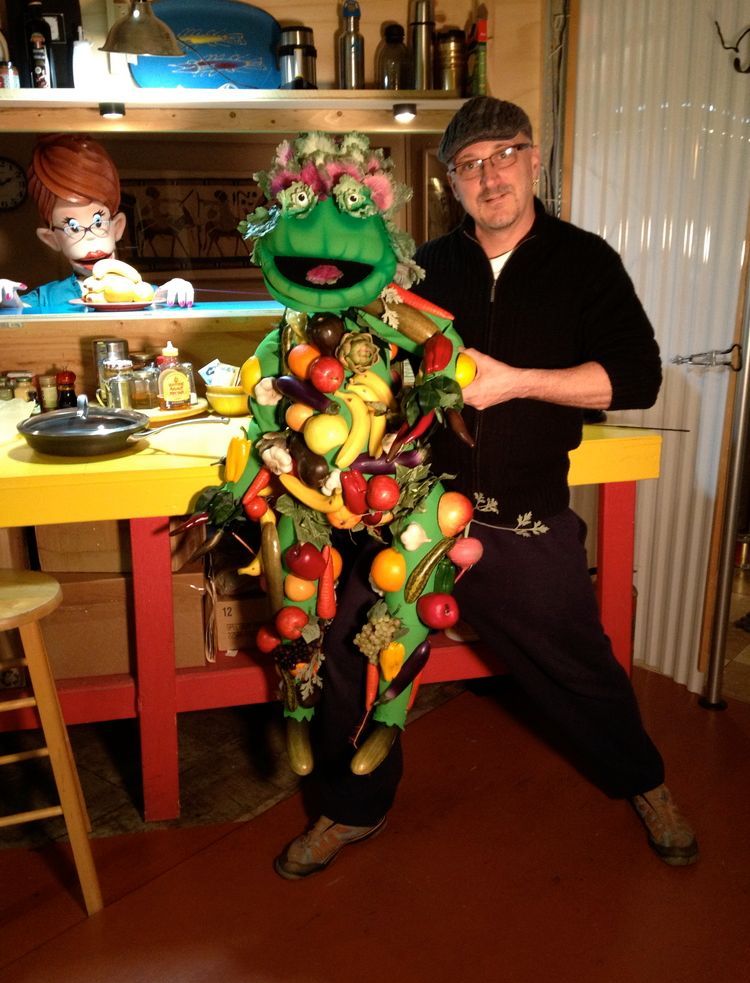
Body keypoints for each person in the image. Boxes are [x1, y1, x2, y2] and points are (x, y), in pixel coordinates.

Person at [274, 97, 698, 878]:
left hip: (523, 521)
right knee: (348, 654)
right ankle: (351, 810)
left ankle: (645, 783)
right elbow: (371, 367)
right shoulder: (420, 267)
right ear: (450, 184)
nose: (488, 174)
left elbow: (636, 378)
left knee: (580, 667)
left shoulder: (585, 261)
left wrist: (516, 385)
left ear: (534, 159)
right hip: (409, 517)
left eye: (503, 154)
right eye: (469, 164)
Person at [0, 133, 193, 313]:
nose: (90, 237)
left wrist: (174, 296)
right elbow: (17, 324)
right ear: (51, 239)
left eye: (98, 222)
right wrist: (8, 305)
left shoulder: (145, 295)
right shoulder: (46, 300)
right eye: (73, 227)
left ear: (117, 227)